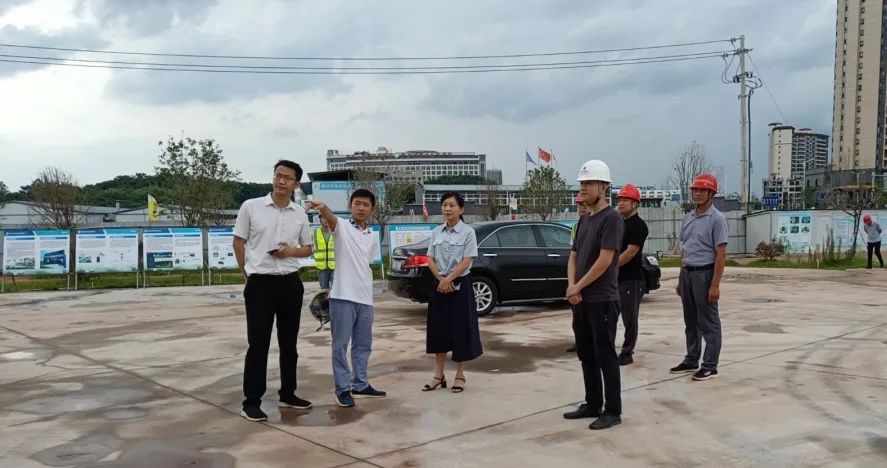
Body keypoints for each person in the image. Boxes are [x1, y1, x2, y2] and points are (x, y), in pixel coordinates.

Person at [233, 160, 314, 422]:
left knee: (289, 343)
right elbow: (239, 241)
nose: (281, 181)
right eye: (278, 175)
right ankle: (251, 401)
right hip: (260, 284)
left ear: (296, 184)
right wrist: (246, 273)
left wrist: (290, 251)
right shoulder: (251, 206)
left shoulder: (299, 213)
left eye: (287, 178)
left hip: (290, 283)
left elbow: (307, 248)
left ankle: (288, 393)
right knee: (258, 344)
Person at [306, 190, 386, 408]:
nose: (361, 208)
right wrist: (323, 208)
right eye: (357, 203)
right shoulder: (341, 226)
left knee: (363, 345)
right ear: (350, 206)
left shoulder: (372, 235)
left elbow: (366, 264)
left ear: (372, 209)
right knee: (340, 345)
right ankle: (342, 389)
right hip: (342, 296)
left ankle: (361, 384)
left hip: (365, 298)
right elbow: (331, 219)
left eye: (366, 205)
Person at [563, 159, 624, 431]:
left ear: (603, 186)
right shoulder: (584, 220)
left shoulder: (612, 219)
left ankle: (612, 410)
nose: (583, 188)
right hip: (581, 300)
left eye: (588, 183)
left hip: (602, 300)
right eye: (582, 183)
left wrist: (578, 286)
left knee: (605, 355)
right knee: (586, 354)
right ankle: (592, 403)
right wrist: (572, 285)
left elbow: (605, 260)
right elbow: (573, 256)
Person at [671, 173, 728, 381]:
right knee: (690, 320)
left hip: (705, 273)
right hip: (688, 273)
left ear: (711, 193)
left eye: (702, 190)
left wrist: (715, 284)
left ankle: (710, 365)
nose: (697, 193)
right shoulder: (688, 218)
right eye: (695, 190)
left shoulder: (717, 219)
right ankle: (691, 358)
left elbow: (721, 254)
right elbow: (685, 250)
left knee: (708, 321)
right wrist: (681, 278)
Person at [423, 192, 483, 393]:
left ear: (461, 209)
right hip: (439, 284)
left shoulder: (468, 232)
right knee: (438, 329)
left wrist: (449, 279)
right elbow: (430, 258)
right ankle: (438, 375)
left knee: (461, 330)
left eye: (452, 205)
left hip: (460, 284)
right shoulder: (436, 232)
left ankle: (460, 375)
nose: (447, 209)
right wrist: (441, 280)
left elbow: (467, 260)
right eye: (445, 205)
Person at [615, 184, 649, 366]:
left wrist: (609, 267)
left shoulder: (638, 226)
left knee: (629, 317)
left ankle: (627, 352)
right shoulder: (618, 223)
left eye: (625, 200)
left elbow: (630, 252)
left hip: (630, 279)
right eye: (619, 200)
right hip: (615, 278)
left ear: (635, 203)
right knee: (609, 315)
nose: (620, 203)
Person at [566, 194, 590, 354]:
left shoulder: (599, 223)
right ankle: (579, 341)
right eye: (579, 205)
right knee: (577, 315)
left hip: (590, 275)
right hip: (578, 274)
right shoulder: (576, 227)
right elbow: (573, 254)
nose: (581, 208)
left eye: (583, 205)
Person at [313, 216, 336, 290]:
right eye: (323, 218)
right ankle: (324, 298)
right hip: (321, 267)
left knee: (335, 289)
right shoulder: (315, 233)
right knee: (324, 290)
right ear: (320, 220)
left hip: (335, 266)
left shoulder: (336, 232)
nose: (326, 220)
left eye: (327, 217)